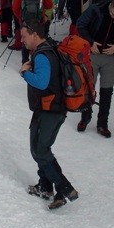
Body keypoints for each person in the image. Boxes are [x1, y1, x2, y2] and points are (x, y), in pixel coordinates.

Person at [20, 19, 78, 210]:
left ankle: (64, 188)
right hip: (50, 109)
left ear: (35, 35)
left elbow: (42, 82)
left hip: (50, 110)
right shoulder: (48, 48)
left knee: (40, 150)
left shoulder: (43, 56)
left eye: (24, 36)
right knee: (39, 149)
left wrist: (25, 73)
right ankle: (45, 187)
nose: (23, 40)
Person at [75, 0, 114, 138]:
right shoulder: (96, 9)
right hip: (92, 54)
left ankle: (102, 124)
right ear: (110, 6)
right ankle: (85, 118)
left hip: (111, 58)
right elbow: (80, 24)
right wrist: (90, 42)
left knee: (107, 91)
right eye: (113, 14)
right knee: (89, 88)